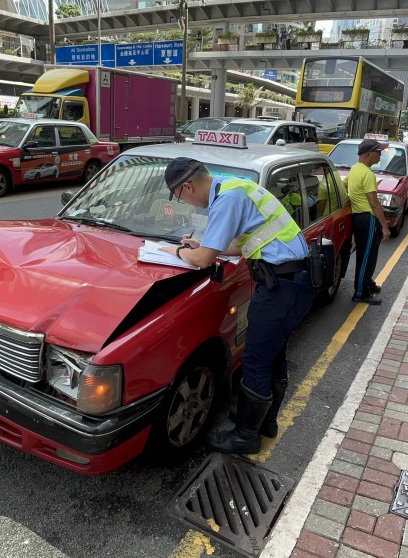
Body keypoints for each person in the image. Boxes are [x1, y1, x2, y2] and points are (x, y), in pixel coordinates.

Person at [161, 157, 314, 455]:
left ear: (187, 187)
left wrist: (178, 250)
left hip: (281, 285)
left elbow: (205, 261)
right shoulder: (236, 187)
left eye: (178, 196)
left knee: (256, 357)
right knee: (273, 352)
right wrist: (202, 245)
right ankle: (264, 421)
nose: (185, 203)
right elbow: (240, 246)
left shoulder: (226, 198)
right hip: (292, 280)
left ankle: (246, 436)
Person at [348, 139, 391, 304]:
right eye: (378, 152)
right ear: (368, 154)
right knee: (367, 256)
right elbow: (374, 203)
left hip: (359, 218)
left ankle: (367, 284)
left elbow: (347, 187)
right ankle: (360, 293)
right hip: (368, 218)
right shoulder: (367, 174)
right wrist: (385, 227)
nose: (380, 155)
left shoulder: (355, 169)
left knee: (366, 255)